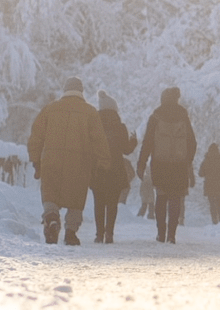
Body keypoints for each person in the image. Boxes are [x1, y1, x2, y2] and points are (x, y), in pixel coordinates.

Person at [27, 77, 112, 246]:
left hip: (51, 161)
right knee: (76, 198)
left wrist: (36, 160)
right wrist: (104, 163)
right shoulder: (90, 112)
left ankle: (51, 217)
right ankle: (71, 232)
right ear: (81, 92)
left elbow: (35, 137)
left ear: (64, 90)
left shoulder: (50, 109)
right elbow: (100, 141)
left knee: (51, 194)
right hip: (79, 163)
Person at [136, 87, 197, 244]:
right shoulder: (184, 117)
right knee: (176, 198)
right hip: (179, 165)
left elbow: (147, 142)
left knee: (161, 197)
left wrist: (141, 163)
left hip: (160, 164)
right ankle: (172, 235)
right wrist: (187, 161)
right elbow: (192, 142)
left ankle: (161, 233)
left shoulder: (156, 117)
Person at [93, 91, 136, 244]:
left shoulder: (95, 126)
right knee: (112, 203)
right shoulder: (120, 127)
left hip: (98, 169)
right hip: (115, 169)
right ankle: (109, 234)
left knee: (99, 202)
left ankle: (99, 234)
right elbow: (126, 150)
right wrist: (133, 142)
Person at [199, 143, 220, 224]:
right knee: (219, 202)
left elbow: (200, 174)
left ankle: (214, 220)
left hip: (209, 186)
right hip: (219, 185)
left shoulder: (206, 161)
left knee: (212, 204)